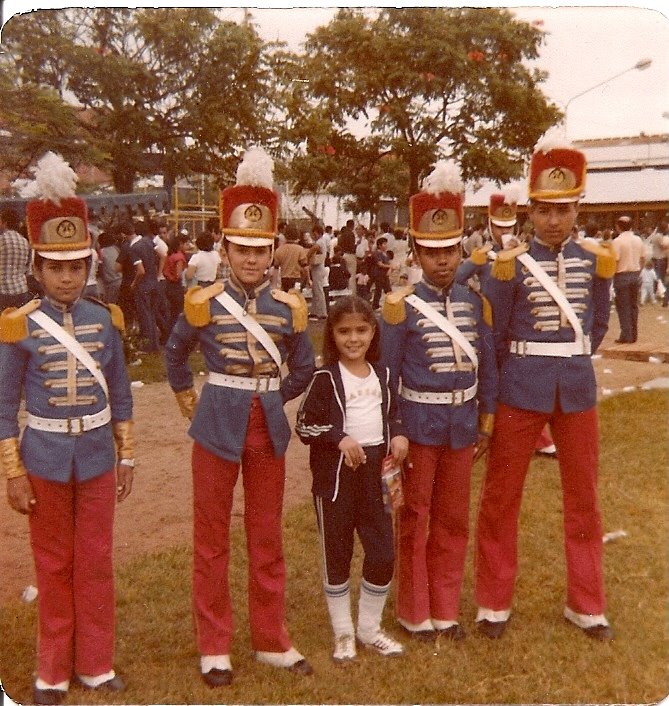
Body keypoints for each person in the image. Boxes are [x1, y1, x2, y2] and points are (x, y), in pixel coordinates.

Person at [164, 148, 315, 687]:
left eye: (260, 249)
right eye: (240, 248)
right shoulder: (203, 301)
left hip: (266, 429)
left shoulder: (288, 307)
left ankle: (271, 638)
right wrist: (193, 404)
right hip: (215, 428)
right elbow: (174, 357)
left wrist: (275, 396)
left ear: (274, 250)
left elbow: (305, 365)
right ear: (224, 248)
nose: (251, 259)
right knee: (210, 537)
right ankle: (214, 645)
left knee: (267, 534)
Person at [0, 152, 134, 705]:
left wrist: (126, 456)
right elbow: (3, 406)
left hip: (99, 455)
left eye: (76, 265)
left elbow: (122, 393)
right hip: (46, 457)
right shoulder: (17, 325)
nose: (67, 276)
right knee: (53, 565)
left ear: (88, 266)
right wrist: (12, 471)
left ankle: (96, 664)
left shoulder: (107, 319)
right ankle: (53, 669)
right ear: (37, 267)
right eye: (56, 266)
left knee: (95, 561)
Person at [475, 132, 617, 642]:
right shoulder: (507, 265)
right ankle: (493, 601)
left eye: (563, 209)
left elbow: (597, 324)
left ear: (577, 207)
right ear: (530, 211)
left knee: (584, 498)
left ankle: (587, 603)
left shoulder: (597, 260)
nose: (553, 221)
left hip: (576, 388)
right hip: (520, 386)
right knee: (500, 496)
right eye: (543, 210)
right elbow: (494, 337)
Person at [381, 160, 498, 642]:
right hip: (419, 424)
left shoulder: (476, 303)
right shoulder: (399, 306)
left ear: (460, 247)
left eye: (449, 250)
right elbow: (388, 376)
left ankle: (445, 608)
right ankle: (414, 610)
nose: (443, 261)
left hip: (462, 424)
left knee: (453, 518)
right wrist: (396, 430)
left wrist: (486, 422)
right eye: (431, 252)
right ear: (415, 251)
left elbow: (487, 368)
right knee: (415, 516)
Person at [296, 296, 408, 663]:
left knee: (381, 552)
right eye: (344, 331)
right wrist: (339, 438)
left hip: (376, 472)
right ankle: (344, 634)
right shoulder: (325, 377)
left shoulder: (385, 374)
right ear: (332, 335)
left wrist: (398, 434)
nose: (353, 339)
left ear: (373, 332)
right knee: (337, 553)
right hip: (337, 478)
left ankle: (370, 629)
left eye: (361, 330)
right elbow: (304, 424)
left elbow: (394, 412)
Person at [611, 215, 645, 343]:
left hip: (622, 274)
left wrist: (612, 275)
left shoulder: (618, 241)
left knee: (623, 306)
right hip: (635, 273)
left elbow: (615, 260)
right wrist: (639, 270)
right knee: (633, 306)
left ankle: (626, 335)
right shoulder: (638, 240)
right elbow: (643, 258)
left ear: (618, 226)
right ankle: (634, 334)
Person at [0, 207, 32, 311]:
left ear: (4, 222)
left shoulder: (2, 239)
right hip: (22, 290)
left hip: (3, 292)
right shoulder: (24, 241)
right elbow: (27, 267)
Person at [163, 232, 190, 332]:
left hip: (169, 285)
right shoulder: (179, 257)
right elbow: (179, 275)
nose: (188, 246)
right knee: (177, 314)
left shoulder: (171, 255)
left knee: (173, 313)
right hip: (176, 287)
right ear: (180, 244)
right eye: (186, 244)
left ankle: (167, 334)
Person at [273, 223, 309, 292]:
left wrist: (275, 284)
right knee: (296, 297)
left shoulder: (279, 250)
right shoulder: (300, 249)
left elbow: (276, 268)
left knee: (285, 298)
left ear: (285, 236)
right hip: (297, 279)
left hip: (284, 279)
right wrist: (308, 280)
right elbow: (305, 267)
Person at [371, 237, 392, 310]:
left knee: (388, 290)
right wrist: (390, 266)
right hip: (379, 274)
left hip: (385, 274)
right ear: (379, 245)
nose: (386, 245)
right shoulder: (377, 253)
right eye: (384, 244)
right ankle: (375, 305)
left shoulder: (385, 254)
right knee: (378, 290)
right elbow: (380, 264)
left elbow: (388, 262)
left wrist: (389, 268)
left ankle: (390, 305)